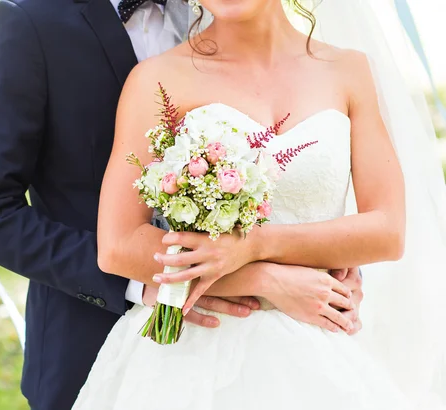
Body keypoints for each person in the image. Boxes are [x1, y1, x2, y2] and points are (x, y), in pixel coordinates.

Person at [0, 0, 363, 408]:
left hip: (265, 353)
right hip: (89, 344)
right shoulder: (30, 21)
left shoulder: (226, 10)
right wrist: (146, 280)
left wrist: (316, 249)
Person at [72, 0, 446, 409]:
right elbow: (119, 246)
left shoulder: (350, 71)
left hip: (318, 346)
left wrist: (256, 245)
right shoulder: (157, 80)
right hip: (189, 358)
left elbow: (387, 231)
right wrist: (261, 278)